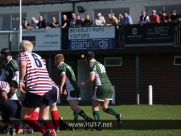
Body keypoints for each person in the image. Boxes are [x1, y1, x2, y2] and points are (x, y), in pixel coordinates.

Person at [17, 40, 54, 136]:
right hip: (48, 86)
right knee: (45, 117)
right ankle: (53, 135)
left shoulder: (22, 55)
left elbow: (23, 64)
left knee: (24, 116)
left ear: (21, 49)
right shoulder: (39, 57)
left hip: (36, 87)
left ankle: (45, 132)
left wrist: (21, 81)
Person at [80, 51, 122, 131]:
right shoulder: (100, 64)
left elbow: (92, 78)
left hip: (101, 87)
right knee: (104, 107)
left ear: (87, 58)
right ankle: (117, 115)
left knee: (95, 106)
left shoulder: (91, 65)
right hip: (109, 86)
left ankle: (98, 126)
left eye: (85, 58)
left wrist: (84, 84)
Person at [54, 54, 93, 130]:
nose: (54, 62)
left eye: (55, 60)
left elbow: (64, 76)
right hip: (75, 87)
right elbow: (71, 77)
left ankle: (88, 119)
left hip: (72, 88)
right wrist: (66, 88)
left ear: (58, 60)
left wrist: (61, 87)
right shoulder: (68, 66)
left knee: (74, 107)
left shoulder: (60, 66)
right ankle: (76, 125)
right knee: (75, 107)